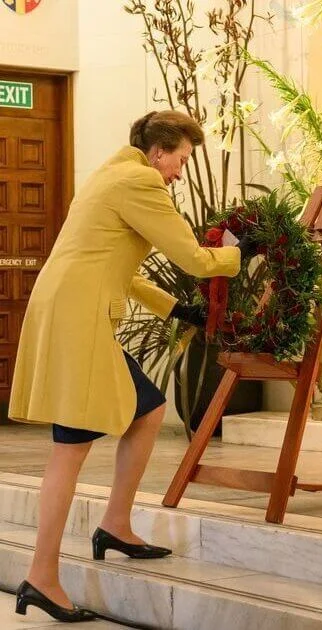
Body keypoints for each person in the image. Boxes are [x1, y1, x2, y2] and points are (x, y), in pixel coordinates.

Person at [9, 110, 246, 622]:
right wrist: (241, 253)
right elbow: (194, 258)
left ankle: (115, 524)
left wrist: (175, 308)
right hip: (80, 320)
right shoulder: (140, 181)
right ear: (159, 152)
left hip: (69, 310)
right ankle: (42, 577)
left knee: (148, 410)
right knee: (69, 450)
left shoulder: (109, 175)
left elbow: (114, 262)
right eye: (180, 160)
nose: (179, 173)